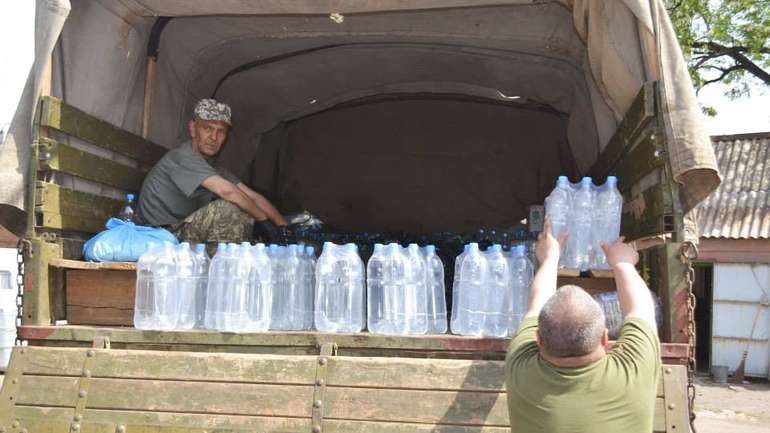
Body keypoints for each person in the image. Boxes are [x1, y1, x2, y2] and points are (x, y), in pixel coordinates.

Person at [505, 217, 660, 433]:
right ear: (605, 338)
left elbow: (535, 307)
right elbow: (641, 309)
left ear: (538, 340)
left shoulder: (521, 369)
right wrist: (622, 263)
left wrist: (550, 259)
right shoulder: (633, 371)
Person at [135, 98, 289, 247]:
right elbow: (228, 192)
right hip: (159, 237)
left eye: (221, 131)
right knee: (228, 209)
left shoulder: (211, 166)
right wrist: (264, 221)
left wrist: (283, 228)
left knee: (245, 208)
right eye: (207, 128)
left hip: (178, 232)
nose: (214, 137)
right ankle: (224, 263)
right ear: (193, 128)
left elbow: (252, 196)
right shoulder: (183, 157)